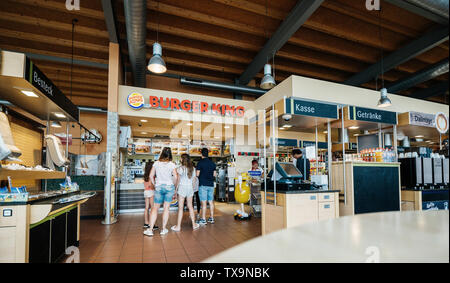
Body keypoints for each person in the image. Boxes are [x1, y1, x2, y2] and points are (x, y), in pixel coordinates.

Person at [144, 147, 178, 237]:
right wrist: (174, 187)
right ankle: (163, 229)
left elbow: (151, 176)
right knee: (166, 208)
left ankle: (150, 230)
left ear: (162, 153)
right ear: (170, 154)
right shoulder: (172, 164)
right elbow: (175, 177)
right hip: (169, 187)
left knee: (155, 208)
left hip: (159, 187)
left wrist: (155, 185)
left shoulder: (156, 163)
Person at [171, 154, 200, 232]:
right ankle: (194, 225)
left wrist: (175, 190)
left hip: (182, 188)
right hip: (190, 188)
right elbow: (194, 181)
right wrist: (193, 189)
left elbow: (178, 180)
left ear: (182, 159)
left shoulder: (180, 168)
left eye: (181, 158)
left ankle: (178, 226)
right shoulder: (193, 169)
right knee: (190, 207)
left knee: (180, 208)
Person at [196, 148, 217, 225]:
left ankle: (203, 219)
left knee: (204, 203)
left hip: (203, 185)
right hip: (211, 185)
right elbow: (214, 174)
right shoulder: (212, 163)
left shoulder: (200, 163)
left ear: (202, 154)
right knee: (211, 202)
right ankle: (211, 218)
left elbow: (197, 174)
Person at [143, 161, 158, 230]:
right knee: (152, 208)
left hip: (146, 191)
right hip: (151, 192)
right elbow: (151, 186)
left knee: (146, 208)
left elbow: (146, 185)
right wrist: (155, 186)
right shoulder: (151, 175)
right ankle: (152, 224)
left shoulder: (145, 174)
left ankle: (146, 222)